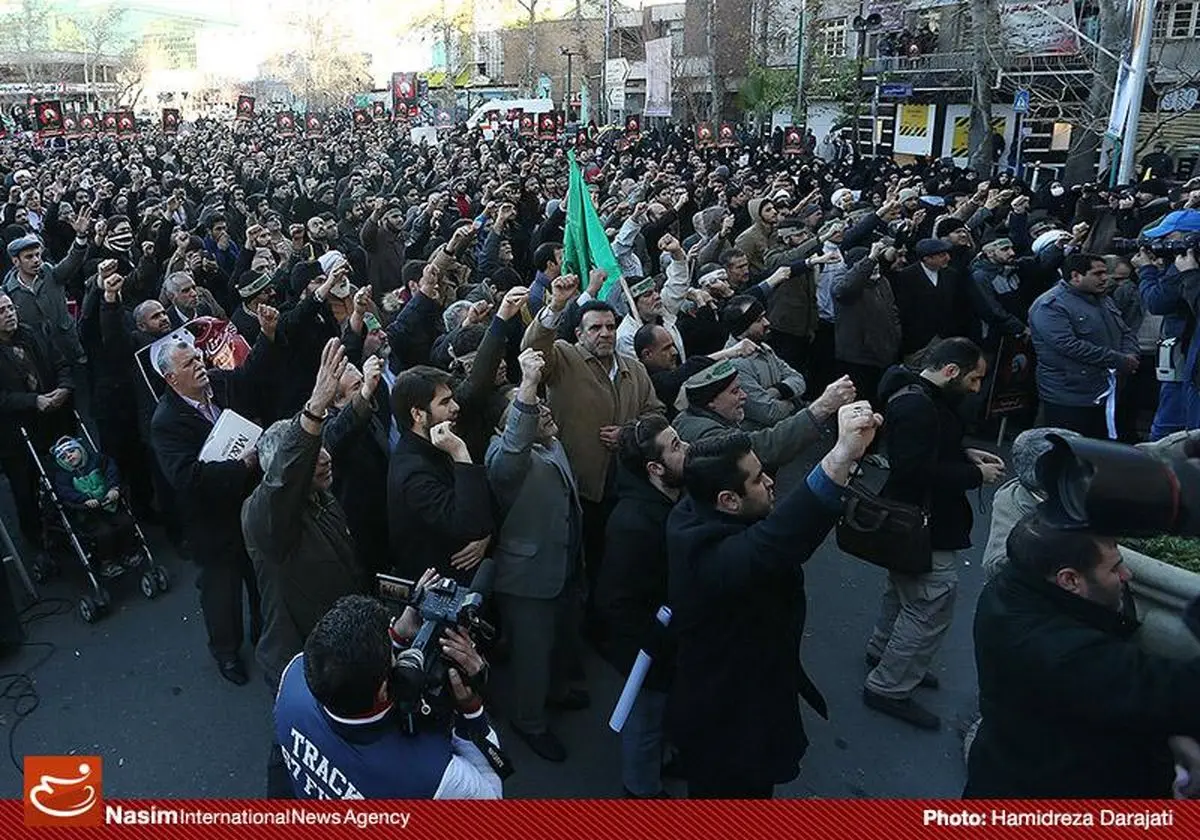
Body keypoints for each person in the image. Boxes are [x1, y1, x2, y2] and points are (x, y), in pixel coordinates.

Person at [666, 400, 882, 798]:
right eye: (755, 479)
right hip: (729, 728)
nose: (768, 481)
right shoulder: (709, 557)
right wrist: (837, 459)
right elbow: (774, 544)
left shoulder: (698, 509)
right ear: (728, 501)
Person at [965, 511, 1200, 798]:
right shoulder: (1065, 653)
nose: (1127, 575)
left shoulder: (1014, 587)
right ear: (1070, 580)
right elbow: (1172, 691)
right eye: (1114, 569)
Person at [863, 338, 1004, 730]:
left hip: (916, 520)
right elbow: (913, 469)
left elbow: (932, 448)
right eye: (975, 380)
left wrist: (965, 455)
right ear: (951, 372)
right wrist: (974, 474)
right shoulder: (916, 405)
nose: (978, 389)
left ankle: (883, 650)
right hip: (924, 522)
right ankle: (890, 685)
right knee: (930, 603)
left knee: (904, 589)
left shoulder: (919, 395)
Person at [150, 303, 281, 685]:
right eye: (190, 365)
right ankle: (226, 652)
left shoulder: (220, 385)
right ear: (172, 379)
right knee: (221, 593)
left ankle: (263, 636)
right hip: (211, 522)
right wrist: (240, 467)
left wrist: (267, 336)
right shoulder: (166, 423)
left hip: (250, 507)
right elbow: (186, 478)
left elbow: (252, 376)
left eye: (198, 357)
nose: (200, 366)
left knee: (260, 578)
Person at [521, 274, 664, 615]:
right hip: (579, 490)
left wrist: (629, 433)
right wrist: (556, 305)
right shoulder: (564, 360)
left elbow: (657, 413)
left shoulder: (633, 369)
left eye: (610, 327)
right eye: (595, 328)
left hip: (624, 486)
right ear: (579, 334)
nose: (605, 334)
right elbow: (535, 348)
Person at [273, 594, 503, 799]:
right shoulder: (434, 776)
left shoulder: (294, 677)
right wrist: (471, 713)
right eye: (396, 657)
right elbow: (491, 801)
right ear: (383, 690)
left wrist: (396, 637)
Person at [485, 348, 586, 762]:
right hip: (527, 579)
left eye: (538, 400)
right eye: (528, 407)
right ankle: (529, 722)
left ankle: (557, 691)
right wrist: (526, 385)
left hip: (561, 565)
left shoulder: (552, 441)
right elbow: (512, 455)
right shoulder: (503, 458)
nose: (540, 407)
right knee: (532, 655)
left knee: (559, 638)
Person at [595, 415, 688, 799]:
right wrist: (657, 646)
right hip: (647, 649)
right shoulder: (634, 524)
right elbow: (616, 603)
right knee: (644, 720)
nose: (687, 449)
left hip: (667, 641)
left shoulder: (667, 501)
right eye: (676, 446)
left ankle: (661, 759)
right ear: (655, 468)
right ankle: (641, 789)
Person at [387, 365, 494, 585]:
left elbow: (485, 500)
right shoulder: (413, 474)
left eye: (452, 399)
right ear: (418, 414)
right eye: (444, 403)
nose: (455, 407)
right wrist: (460, 453)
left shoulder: (439, 443)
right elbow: (469, 522)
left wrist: (486, 535)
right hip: (444, 591)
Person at [1028, 252, 1139, 438]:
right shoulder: (1050, 305)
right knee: (1068, 454)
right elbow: (1068, 345)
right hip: (1070, 396)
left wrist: (1131, 354)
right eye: (1097, 274)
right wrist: (1118, 360)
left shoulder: (1103, 300)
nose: (1105, 278)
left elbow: (1125, 331)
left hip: (1105, 393)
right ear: (1075, 276)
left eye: (1105, 272)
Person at [673, 357, 853, 469]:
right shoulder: (705, 433)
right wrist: (821, 407)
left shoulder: (698, 417)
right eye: (735, 392)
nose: (744, 396)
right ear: (710, 401)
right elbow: (764, 446)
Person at [0, 290, 75, 549]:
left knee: (66, 472)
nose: (9, 314)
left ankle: (73, 523)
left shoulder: (31, 334)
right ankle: (38, 543)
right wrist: (33, 401)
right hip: (16, 434)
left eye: (10, 308)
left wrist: (64, 387)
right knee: (25, 488)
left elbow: (61, 363)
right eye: (2, 311)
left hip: (53, 420)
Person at [49, 435, 140, 578]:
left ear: (80, 449)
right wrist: (84, 499)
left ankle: (129, 552)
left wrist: (113, 488)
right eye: (64, 457)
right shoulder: (63, 476)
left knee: (126, 522)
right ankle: (107, 562)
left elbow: (112, 472)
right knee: (103, 532)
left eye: (72, 451)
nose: (69, 456)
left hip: (110, 503)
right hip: (87, 513)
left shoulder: (97, 460)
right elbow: (65, 493)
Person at [720, 295, 810, 430]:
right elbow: (768, 413)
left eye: (764, 316)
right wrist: (794, 403)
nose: (767, 322)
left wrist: (777, 391)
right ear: (742, 329)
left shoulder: (764, 348)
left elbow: (798, 379)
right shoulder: (736, 364)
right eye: (758, 320)